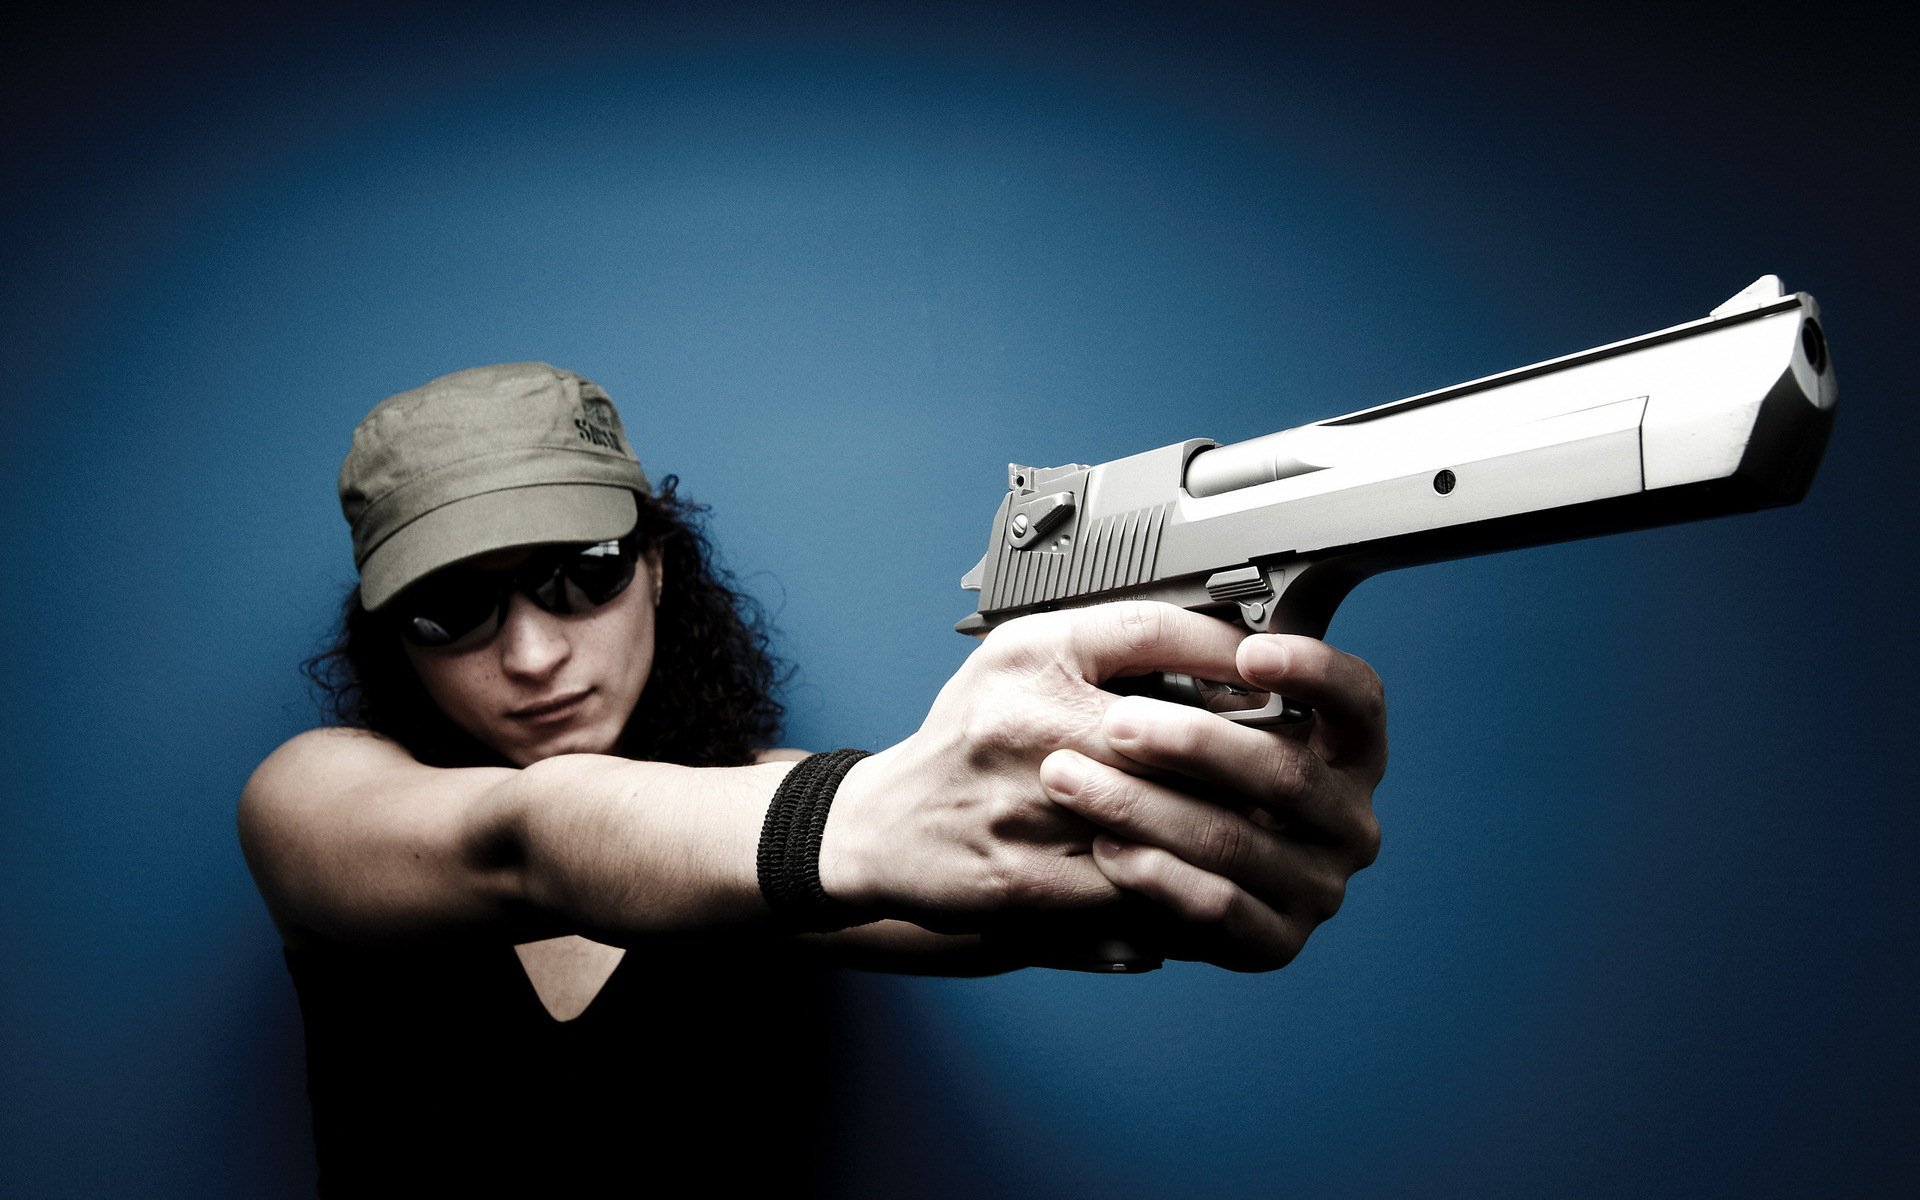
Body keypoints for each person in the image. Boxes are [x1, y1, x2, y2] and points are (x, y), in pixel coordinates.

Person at [239, 362, 1388, 1194]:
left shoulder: (782, 804)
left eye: (578, 576)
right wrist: (866, 819)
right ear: (391, 636)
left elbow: (1007, 886)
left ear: (655, 570)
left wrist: (1207, 809)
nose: (533, 654)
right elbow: (525, 839)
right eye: (453, 609)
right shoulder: (315, 801)